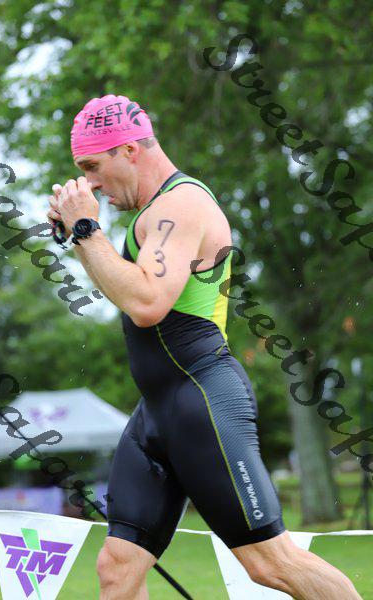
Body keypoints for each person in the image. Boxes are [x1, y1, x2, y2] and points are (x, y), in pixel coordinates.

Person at [47, 94, 361, 600]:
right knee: (118, 568)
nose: (92, 184)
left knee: (271, 563)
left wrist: (87, 230)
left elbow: (147, 303)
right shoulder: (152, 214)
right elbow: (128, 290)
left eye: (92, 166)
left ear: (129, 150)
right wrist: (80, 237)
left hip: (202, 402)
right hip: (157, 412)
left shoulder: (180, 205)